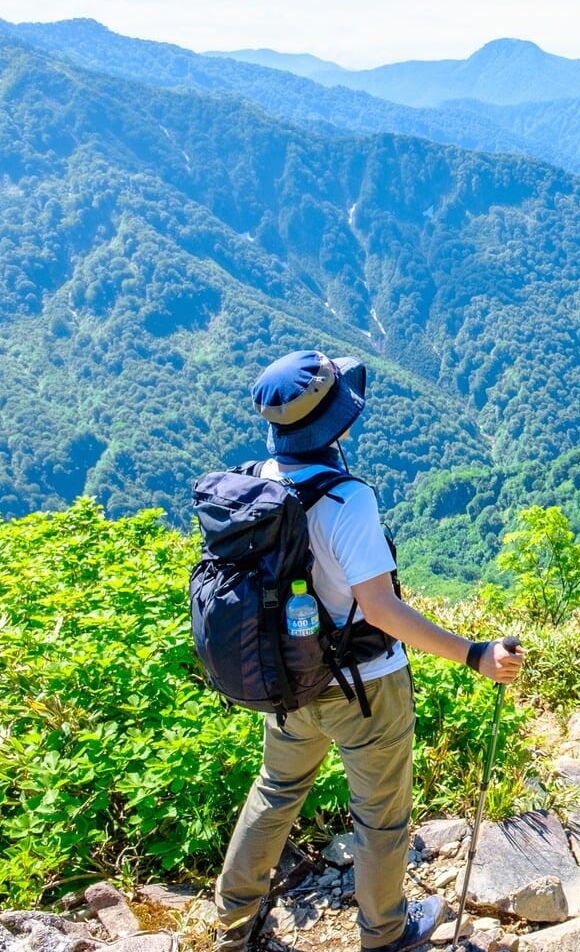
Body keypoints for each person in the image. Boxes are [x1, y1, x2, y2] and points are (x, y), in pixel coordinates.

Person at [213, 350, 524, 952]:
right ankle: (384, 935)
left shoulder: (255, 481)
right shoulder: (346, 499)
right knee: (380, 817)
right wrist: (474, 653)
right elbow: (379, 609)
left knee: (276, 789)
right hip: (366, 685)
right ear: (338, 425)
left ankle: (233, 920)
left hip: (287, 679)